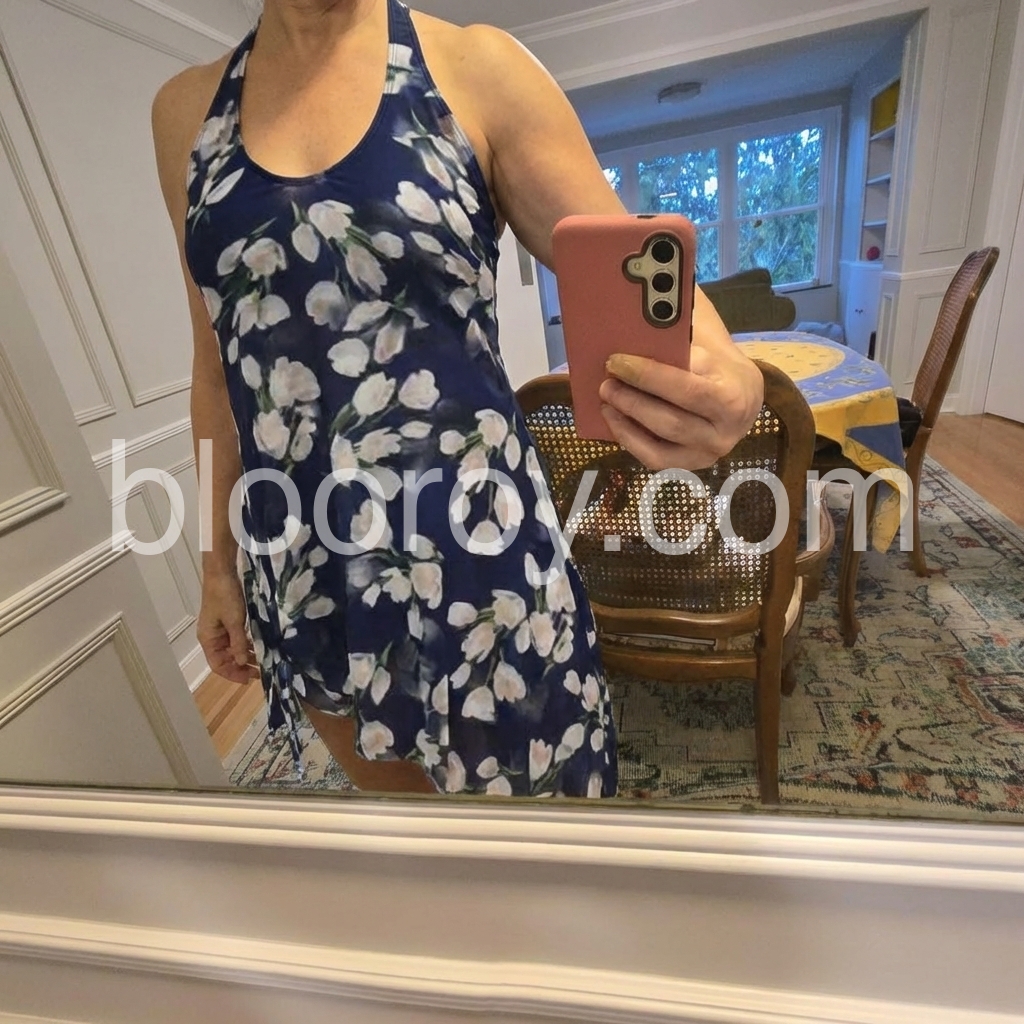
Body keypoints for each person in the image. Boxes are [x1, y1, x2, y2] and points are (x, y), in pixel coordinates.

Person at [151, 0, 764, 798]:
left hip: (481, 570)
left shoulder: (476, 70)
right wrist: (216, 567)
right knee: (411, 843)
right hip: (306, 571)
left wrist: (731, 372)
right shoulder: (184, 115)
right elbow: (215, 369)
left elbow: (631, 261)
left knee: (544, 841)